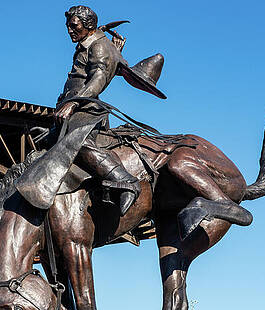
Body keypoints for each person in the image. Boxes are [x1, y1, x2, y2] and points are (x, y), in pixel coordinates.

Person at [16, 5, 166, 215]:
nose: (69, 30)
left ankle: (124, 180)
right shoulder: (91, 43)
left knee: (78, 142)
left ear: (88, 25)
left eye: (73, 26)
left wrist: (74, 102)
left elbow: (99, 77)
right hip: (73, 106)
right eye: (68, 26)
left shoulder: (99, 45)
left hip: (86, 108)